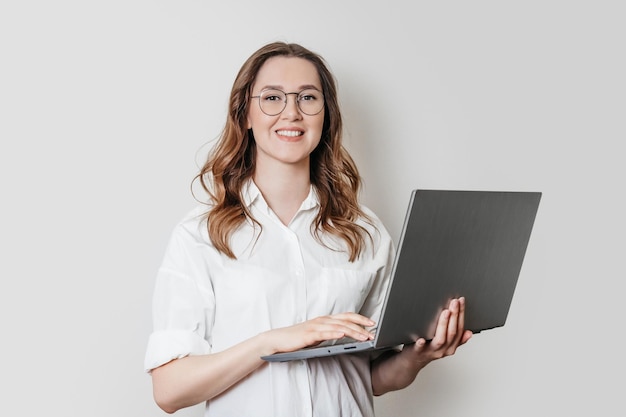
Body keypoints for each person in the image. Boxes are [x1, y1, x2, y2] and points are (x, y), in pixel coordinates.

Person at [144, 41, 472, 417]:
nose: (292, 113)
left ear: (325, 115)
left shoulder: (364, 233)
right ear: (245, 114)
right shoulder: (200, 235)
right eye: (272, 98)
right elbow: (169, 390)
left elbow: (368, 375)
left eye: (308, 97)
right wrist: (273, 342)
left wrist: (417, 357)